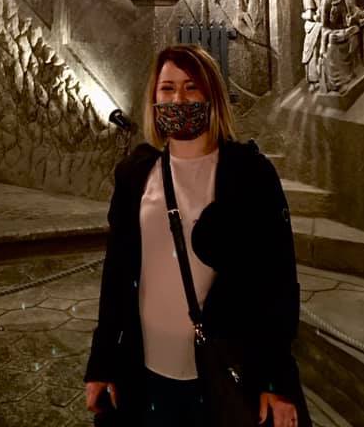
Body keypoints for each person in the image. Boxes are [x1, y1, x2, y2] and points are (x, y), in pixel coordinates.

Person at [84, 44, 307, 427]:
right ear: (154, 98)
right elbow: (118, 274)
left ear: (211, 96)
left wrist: (276, 379)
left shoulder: (250, 175)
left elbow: (278, 283)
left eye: (191, 87)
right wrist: (102, 362)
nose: (178, 98)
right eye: (167, 89)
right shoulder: (135, 173)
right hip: (147, 369)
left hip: (226, 368)